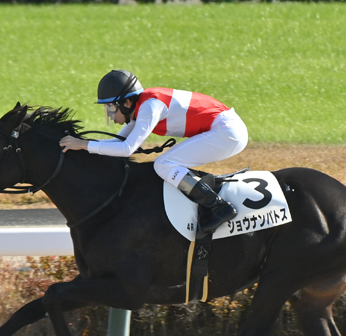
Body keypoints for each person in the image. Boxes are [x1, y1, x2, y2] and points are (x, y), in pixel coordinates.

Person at [59, 70, 248, 234]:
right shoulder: (140, 108)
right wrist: (83, 146)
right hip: (223, 129)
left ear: (126, 102)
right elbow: (118, 142)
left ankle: (218, 206)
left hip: (227, 133)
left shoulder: (150, 107)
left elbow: (126, 149)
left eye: (111, 107)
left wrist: (84, 145)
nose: (110, 115)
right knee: (166, 163)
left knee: (164, 164)